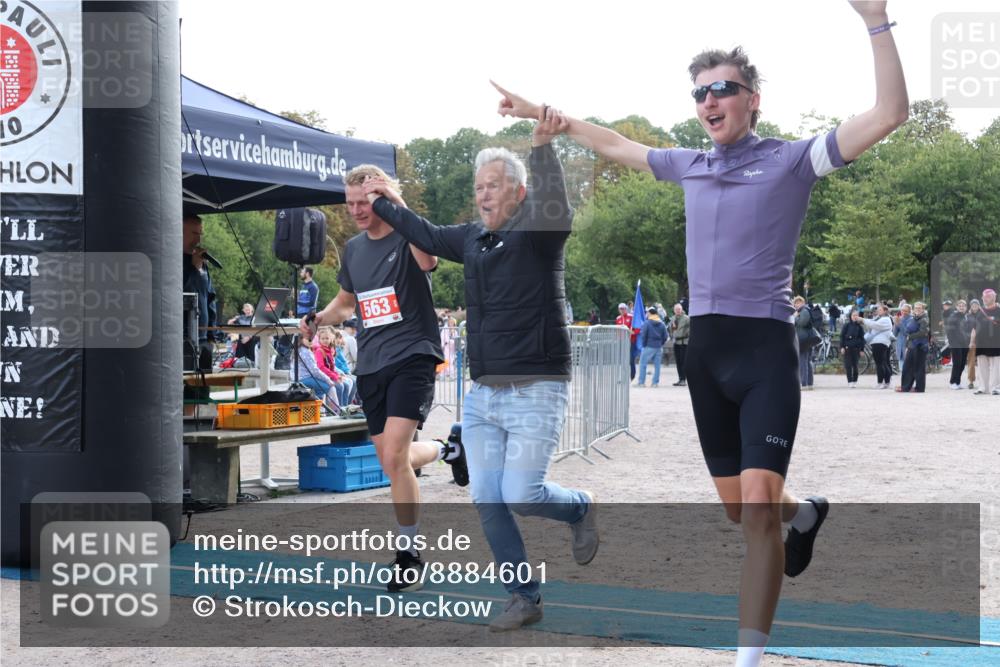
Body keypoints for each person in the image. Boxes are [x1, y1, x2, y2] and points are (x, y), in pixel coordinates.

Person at [491, 2, 908, 660]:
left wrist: (876, 21)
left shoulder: (795, 159)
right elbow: (619, 145)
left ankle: (747, 655)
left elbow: (889, 115)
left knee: (757, 515)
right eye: (701, 92)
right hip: (706, 355)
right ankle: (808, 512)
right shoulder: (690, 163)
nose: (709, 99)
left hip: (765, 349)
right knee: (743, 510)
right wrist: (552, 116)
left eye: (723, 89)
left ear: (754, 101)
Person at [361, 112, 598, 633]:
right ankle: (523, 596)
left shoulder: (540, 231)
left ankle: (579, 509)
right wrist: (380, 200)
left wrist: (542, 144)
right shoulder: (471, 239)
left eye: (494, 186)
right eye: (479, 187)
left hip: (537, 385)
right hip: (484, 394)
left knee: (522, 494)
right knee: (487, 497)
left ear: (519, 192)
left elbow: (556, 203)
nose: (484, 195)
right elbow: (419, 230)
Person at [303, 164, 469, 593]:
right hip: (372, 363)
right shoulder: (354, 249)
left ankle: (409, 555)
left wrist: (398, 205)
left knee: (394, 456)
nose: (357, 210)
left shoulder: (407, 233)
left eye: (365, 201)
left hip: (413, 354)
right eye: (351, 203)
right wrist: (319, 318)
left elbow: (429, 259)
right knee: (393, 461)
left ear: (382, 198)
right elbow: (345, 302)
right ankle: (450, 448)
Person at [182, 214, 218, 371]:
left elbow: (210, 297)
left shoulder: (202, 263)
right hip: (184, 339)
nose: (198, 240)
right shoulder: (173, 260)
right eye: (194, 233)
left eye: (200, 234)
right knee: (187, 391)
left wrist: (212, 334)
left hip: (204, 337)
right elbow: (178, 291)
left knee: (203, 391)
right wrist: (193, 268)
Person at [296, 330, 341, 415]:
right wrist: (328, 379)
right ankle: (330, 412)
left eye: (311, 339)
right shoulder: (305, 351)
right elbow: (315, 370)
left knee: (326, 386)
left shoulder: (303, 349)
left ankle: (325, 411)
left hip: (306, 377)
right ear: (301, 339)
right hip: (304, 378)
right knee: (328, 386)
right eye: (307, 339)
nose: (310, 341)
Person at [970, 288, 1000, 395]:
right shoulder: (980, 311)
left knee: (996, 367)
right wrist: (972, 342)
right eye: (984, 297)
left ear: (994, 297)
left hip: (996, 343)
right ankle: (982, 387)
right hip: (981, 343)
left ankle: (995, 388)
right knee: (982, 367)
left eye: (988, 297)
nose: (985, 299)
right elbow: (974, 328)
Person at [313, 327, 350, 407]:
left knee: (346, 385)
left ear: (331, 339)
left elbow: (332, 367)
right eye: (323, 338)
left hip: (330, 375)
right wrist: (334, 376)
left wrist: (337, 375)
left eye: (327, 338)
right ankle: (339, 409)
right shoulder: (319, 351)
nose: (325, 340)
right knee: (340, 386)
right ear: (319, 339)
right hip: (324, 376)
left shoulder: (329, 350)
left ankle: (345, 406)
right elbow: (321, 367)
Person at [897, 301, 930, 393]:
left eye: (919, 308)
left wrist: (910, 336)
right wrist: (900, 324)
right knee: (907, 367)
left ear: (923, 309)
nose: (917, 309)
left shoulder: (924, 319)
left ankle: (919, 388)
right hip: (912, 345)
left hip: (920, 346)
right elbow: (907, 330)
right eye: (916, 308)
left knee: (919, 368)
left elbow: (923, 332)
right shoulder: (914, 318)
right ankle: (905, 387)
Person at [860, 303, 894, 388]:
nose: (878, 311)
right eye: (878, 310)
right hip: (880, 343)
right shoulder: (880, 318)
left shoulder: (885, 319)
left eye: (880, 310)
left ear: (885, 311)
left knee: (880, 363)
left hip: (880, 343)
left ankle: (881, 382)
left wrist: (863, 320)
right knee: (883, 362)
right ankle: (886, 382)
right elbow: (872, 323)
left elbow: (874, 325)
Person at [637, 306, 669, 387]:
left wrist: (644, 344)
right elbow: (665, 336)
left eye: (647, 312)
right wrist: (661, 343)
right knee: (657, 365)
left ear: (650, 313)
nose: (646, 314)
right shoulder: (661, 323)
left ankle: (641, 382)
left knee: (643, 363)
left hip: (649, 345)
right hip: (658, 346)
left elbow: (643, 335)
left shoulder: (647, 323)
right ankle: (655, 383)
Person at [945, 300, 971, 389]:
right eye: (960, 305)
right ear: (956, 307)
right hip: (956, 344)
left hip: (964, 344)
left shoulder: (966, 317)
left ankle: (958, 382)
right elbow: (949, 331)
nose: (961, 307)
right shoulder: (953, 317)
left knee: (962, 364)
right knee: (957, 363)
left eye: (963, 305)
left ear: (966, 307)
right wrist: (952, 343)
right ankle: (953, 382)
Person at [794, 297, 817, 390]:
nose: (797, 305)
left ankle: (804, 383)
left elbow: (802, 323)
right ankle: (809, 383)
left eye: (798, 303)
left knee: (803, 362)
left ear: (803, 303)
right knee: (807, 361)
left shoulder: (804, 311)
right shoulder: (803, 311)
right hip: (806, 339)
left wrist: (795, 317)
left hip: (804, 340)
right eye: (795, 303)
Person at [840, 309, 866, 387]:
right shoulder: (846, 325)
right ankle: (850, 381)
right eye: (853, 315)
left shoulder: (860, 327)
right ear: (850, 316)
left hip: (856, 348)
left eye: (856, 315)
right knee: (848, 365)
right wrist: (842, 347)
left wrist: (862, 349)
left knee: (855, 366)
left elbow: (862, 339)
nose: (855, 317)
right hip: (847, 348)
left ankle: (855, 380)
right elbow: (842, 337)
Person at [616, 302, 639, 379]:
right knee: (622, 359)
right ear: (619, 310)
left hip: (631, 341)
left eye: (624, 309)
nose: (622, 310)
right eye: (621, 309)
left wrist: (633, 333)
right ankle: (623, 376)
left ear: (626, 309)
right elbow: (617, 330)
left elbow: (637, 328)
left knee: (631, 359)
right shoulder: (618, 318)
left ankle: (632, 376)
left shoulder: (631, 317)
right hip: (622, 341)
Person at [670, 303, 690, 387]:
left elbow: (690, 329)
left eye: (679, 309)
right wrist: (672, 334)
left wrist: (684, 334)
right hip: (676, 342)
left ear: (681, 310)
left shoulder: (686, 318)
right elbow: (671, 329)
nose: (678, 311)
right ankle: (680, 378)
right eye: (676, 309)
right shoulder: (673, 318)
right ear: (674, 310)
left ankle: (683, 379)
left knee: (683, 361)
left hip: (684, 342)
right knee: (678, 361)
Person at [893, 303, 912, 374]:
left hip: (907, 345)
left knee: (908, 368)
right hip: (900, 345)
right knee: (901, 368)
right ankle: (903, 383)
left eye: (905, 311)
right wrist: (895, 323)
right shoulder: (900, 319)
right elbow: (894, 333)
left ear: (909, 311)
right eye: (902, 310)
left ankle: (908, 383)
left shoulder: (911, 319)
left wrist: (899, 323)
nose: (903, 312)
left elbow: (906, 332)